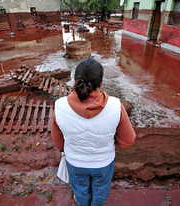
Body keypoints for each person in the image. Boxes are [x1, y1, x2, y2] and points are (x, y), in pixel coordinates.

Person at [51, 58, 136, 206]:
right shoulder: (116, 105)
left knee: (80, 191)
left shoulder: (60, 106)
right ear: (101, 83)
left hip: (74, 161)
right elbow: (128, 141)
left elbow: (57, 140)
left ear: (74, 80)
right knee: (100, 191)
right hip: (104, 162)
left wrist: (65, 149)